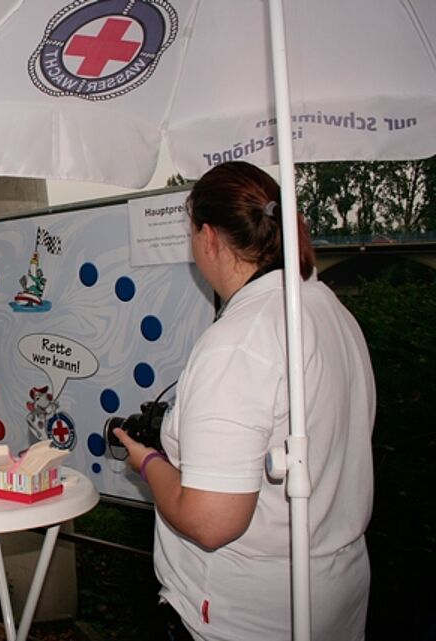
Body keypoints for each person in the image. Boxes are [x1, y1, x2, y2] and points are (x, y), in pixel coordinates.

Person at [114, 161, 375, 641]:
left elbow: (211, 521)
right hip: (332, 595)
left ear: (209, 237)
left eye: (190, 234)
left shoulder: (238, 342)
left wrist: (148, 460)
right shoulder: (327, 310)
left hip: (240, 614)